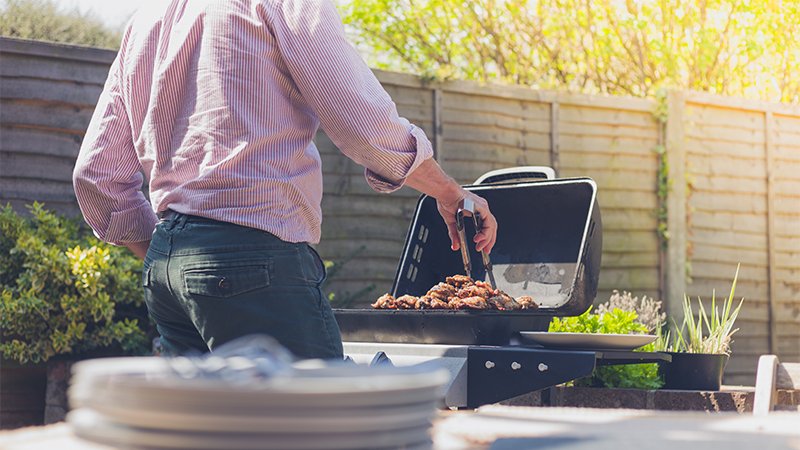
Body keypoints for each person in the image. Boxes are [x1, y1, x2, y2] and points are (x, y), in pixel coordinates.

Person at [73, 0, 497, 360]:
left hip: (167, 268)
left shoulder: (149, 19)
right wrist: (449, 192)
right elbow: (363, 123)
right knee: (323, 425)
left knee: (207, 431)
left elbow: (96, 175)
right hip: (254, 259)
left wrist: (178, 256)